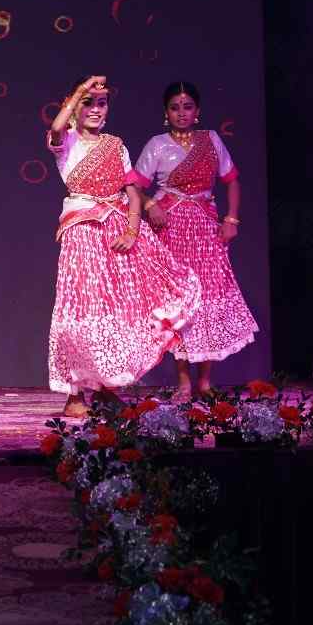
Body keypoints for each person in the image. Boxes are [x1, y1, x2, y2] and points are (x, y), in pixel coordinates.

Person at [46, 76, 200, 415]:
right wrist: (81, 90)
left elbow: (131, 191)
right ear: (74, 105)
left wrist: (132, 231)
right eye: (88, 103)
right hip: (82, 230)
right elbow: (56, 126)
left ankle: (106, 387)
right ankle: (75, 394)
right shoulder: (66, 140)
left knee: (115, 310)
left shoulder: (116, 145)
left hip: (116, 231)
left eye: (101, 103)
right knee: (80, 310)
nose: (95, 109)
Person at [131, 82, 257, 400]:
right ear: (166, 112)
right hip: (170, 228)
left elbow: (232, 181)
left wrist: (231, 219)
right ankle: (184, 382)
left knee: (208, 300)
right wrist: (150, 204)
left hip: (205, 228)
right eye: (175, 107)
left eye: (187, 107)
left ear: (197, 111)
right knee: (181, 303)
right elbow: (134, 186)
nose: (182, 113)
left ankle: (205, 382)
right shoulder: (157, 144)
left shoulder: (210, 140)